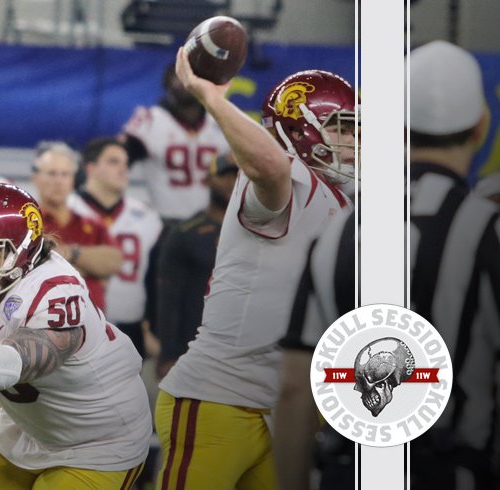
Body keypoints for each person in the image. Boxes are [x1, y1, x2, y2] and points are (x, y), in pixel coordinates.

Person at [278, 40, 499, 490]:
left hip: (349, 472)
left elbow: (295, 388)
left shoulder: (338, 230)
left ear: (396, 128)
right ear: (480, 129)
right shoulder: (487, 230)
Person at [154, 48, 355, 489]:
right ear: (301, 130)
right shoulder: (291, 180)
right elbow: (268, 164)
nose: (353, 142)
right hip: (218, 398)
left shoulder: (342, 202)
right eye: (342, 129)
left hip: (281, 409)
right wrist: (213, 98)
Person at [0, 182, 152, 489]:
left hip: (98, 440)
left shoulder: (57, 293)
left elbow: (13, 366)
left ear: (22, 253)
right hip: (28, 428)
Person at [68, 136, 162, 359]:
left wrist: (152, 327)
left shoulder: (147, 217)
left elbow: (156, 279)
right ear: (90, 168)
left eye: (125, 163)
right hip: (75, 325)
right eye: (113, 162)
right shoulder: (67, 210)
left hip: (131, 328)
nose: (123, 169)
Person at [154, 153, 238, 379]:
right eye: (224, 176)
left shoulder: (258, 230)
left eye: (238, 176)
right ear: (208, 179)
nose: (231, 183)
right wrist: (169, 353)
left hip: (241, 347)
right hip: (193, 346)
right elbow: (168, 296)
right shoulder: (184, 233)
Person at [121, 63, 231, 224]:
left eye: (191, 77)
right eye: (178, 77)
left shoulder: (219, 123)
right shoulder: (149, 121)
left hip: (213, 220)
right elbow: (120, 161)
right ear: (166, 84)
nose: (184, 83)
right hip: (164, 220)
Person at [32, 141, 122, 312]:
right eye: (52, 174)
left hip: (93, 323)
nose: (58, 181)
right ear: (36, 178)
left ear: (73, 179)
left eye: (65, 174)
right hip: (41, 321)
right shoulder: (26, 222)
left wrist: (68, 253)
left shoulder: (92, 223)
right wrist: (88, 266)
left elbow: (113, 262)